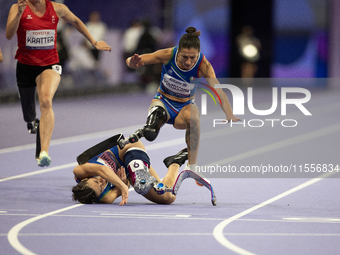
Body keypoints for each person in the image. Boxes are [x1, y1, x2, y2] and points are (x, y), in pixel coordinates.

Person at [6, 0, 111, 167]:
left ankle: (44, 152)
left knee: (46, 101)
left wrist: (94, 42)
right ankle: (32, 121)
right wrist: (18, 13)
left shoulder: (58, 9)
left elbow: (76, 21)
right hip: (25, 66)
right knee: (28, 115)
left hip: (49, 65)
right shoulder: (19, 7)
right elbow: (9, 35)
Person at [126, 26, 242, 173]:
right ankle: (148, 127)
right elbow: (133, 60)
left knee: (194, 118)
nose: (188, 61)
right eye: (184, 57)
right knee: (150, 135)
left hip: (184, 107)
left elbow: (219, 92)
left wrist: (229, 114)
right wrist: (132, 62)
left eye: (192, 57)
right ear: (178, 51)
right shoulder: (168, 54)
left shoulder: (204, 65)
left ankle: (192, 166)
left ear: (198, 53)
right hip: (163, 102)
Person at [72, 140, 188, 205]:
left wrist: (121, 185)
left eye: (96, 181)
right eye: (101, 186)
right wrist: (123, 182)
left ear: (85, 179)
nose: (102, 181)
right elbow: (126, 185)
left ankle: (140, 172)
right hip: (129, 172)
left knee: (139, 179)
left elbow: (101, 170)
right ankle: (175, 162)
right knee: (167, 197)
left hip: (127, 148)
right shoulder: (106, 198)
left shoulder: (79, 171)